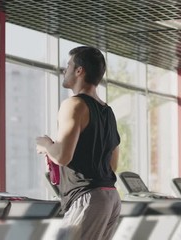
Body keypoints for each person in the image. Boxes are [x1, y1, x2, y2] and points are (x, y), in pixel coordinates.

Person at [36, 46, 121, 240]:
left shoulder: (73, 104)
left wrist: (46, 144)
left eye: (68, 65)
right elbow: (112, 164)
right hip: (110, 197)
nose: (65, 70)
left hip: (88, 197)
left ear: (79, 70)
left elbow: (62, 156)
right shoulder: (108, 112)